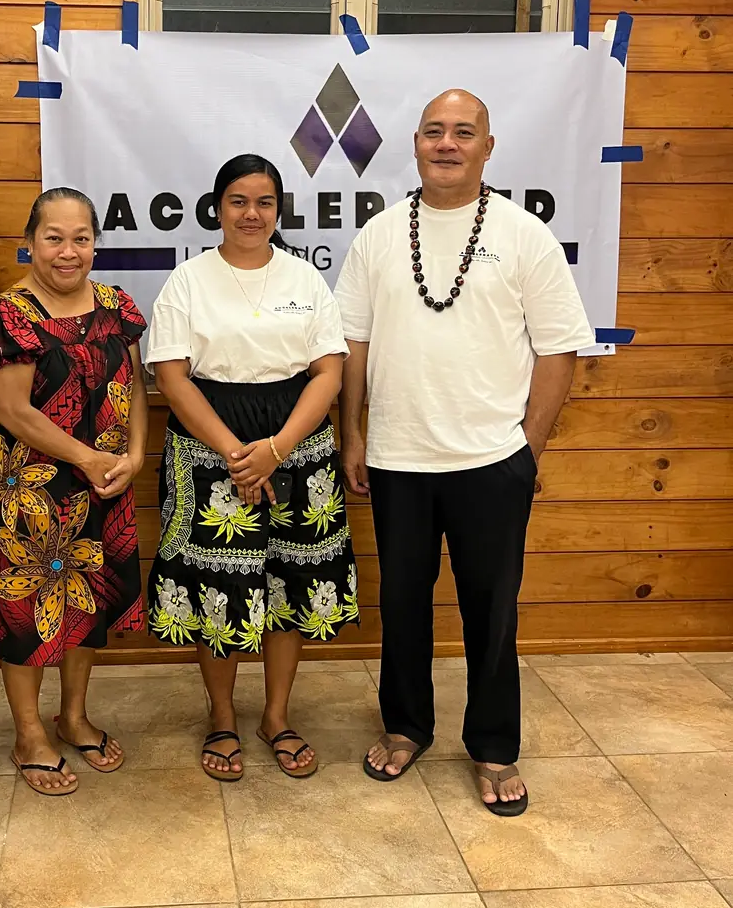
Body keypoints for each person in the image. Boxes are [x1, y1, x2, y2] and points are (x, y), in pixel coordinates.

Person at [335, 90, 594, 815]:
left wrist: (527, 447)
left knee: (492, 611)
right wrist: (352, 433)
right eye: (433, 132)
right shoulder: (380, 236)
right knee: (404, 603)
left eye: (463, 132)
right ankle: (407, 725)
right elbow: (352, 342)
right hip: (397, 457)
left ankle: (493, 745)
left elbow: (558, 348)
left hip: (491, 461)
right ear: (414, 144)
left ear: (488, 146)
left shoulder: (524, 235)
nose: (446, 144)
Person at [146, 154, 357, 782]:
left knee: (290, 586)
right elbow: (171, 376)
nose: (251, 213)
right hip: (209, 448)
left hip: (297, 448)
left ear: (279, 210)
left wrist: (277, 449)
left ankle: (275, 715)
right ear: (217, 208)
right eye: (238, 201)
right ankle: (220, 716)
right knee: (223, 590)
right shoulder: (187, 280)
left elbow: (330, 372)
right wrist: (238, 454)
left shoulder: (305, 279)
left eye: (264, 202)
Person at [0, 188, 147, 796]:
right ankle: (28, 733)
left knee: (87, 607)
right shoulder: (10, 316)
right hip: (30, 492)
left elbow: (135, 386)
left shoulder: (118, 306)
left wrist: (135, 456)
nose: (68, 252)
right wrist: (89, 457)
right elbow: (15, 412)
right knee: (27, 615)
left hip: (105, 483)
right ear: (30, 240)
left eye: (81, 238)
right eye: (54, 238)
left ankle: (72, 717)